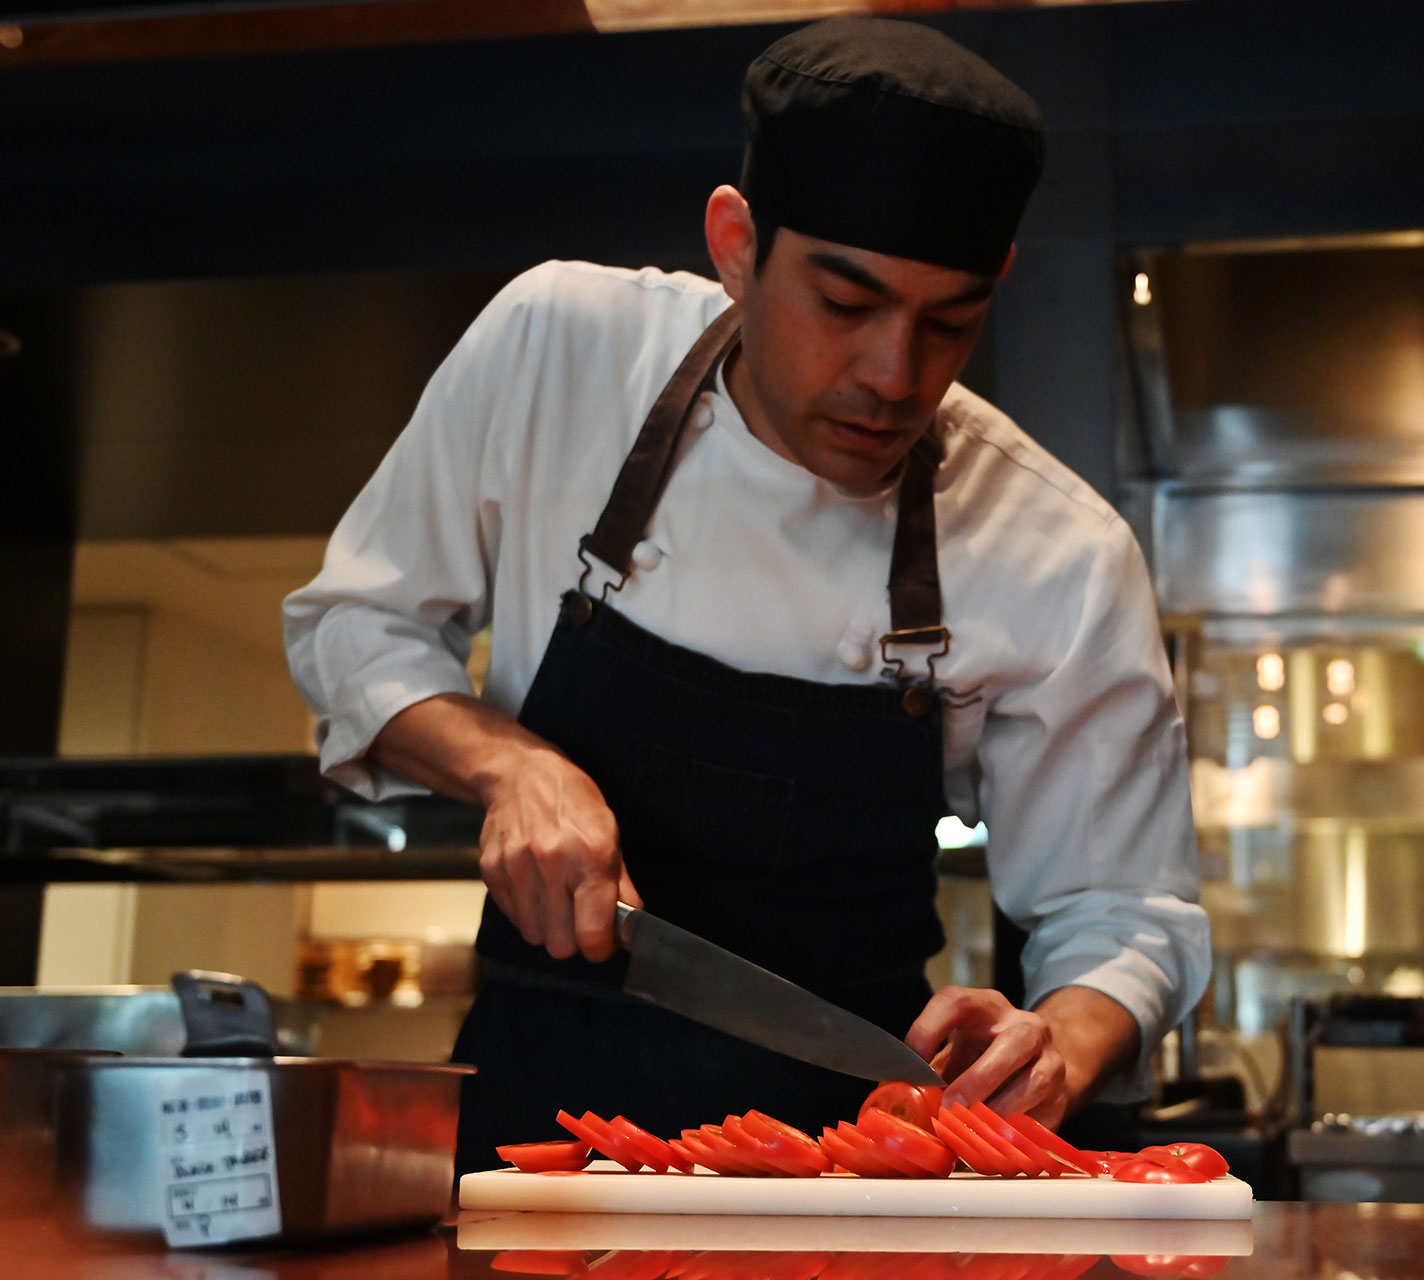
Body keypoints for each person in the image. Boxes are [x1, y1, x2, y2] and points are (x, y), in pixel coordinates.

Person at [284, 16, 1209, 1174]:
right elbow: (352, 626)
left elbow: (1124, 907)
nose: (892, 374)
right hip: (540, 1151)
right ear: (736, 243)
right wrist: (510, 764)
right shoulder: (556, 350)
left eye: (949, 322)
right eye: (845, 302)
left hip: (850, 1165)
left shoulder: (1058, 550)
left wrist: (1058, 1041)